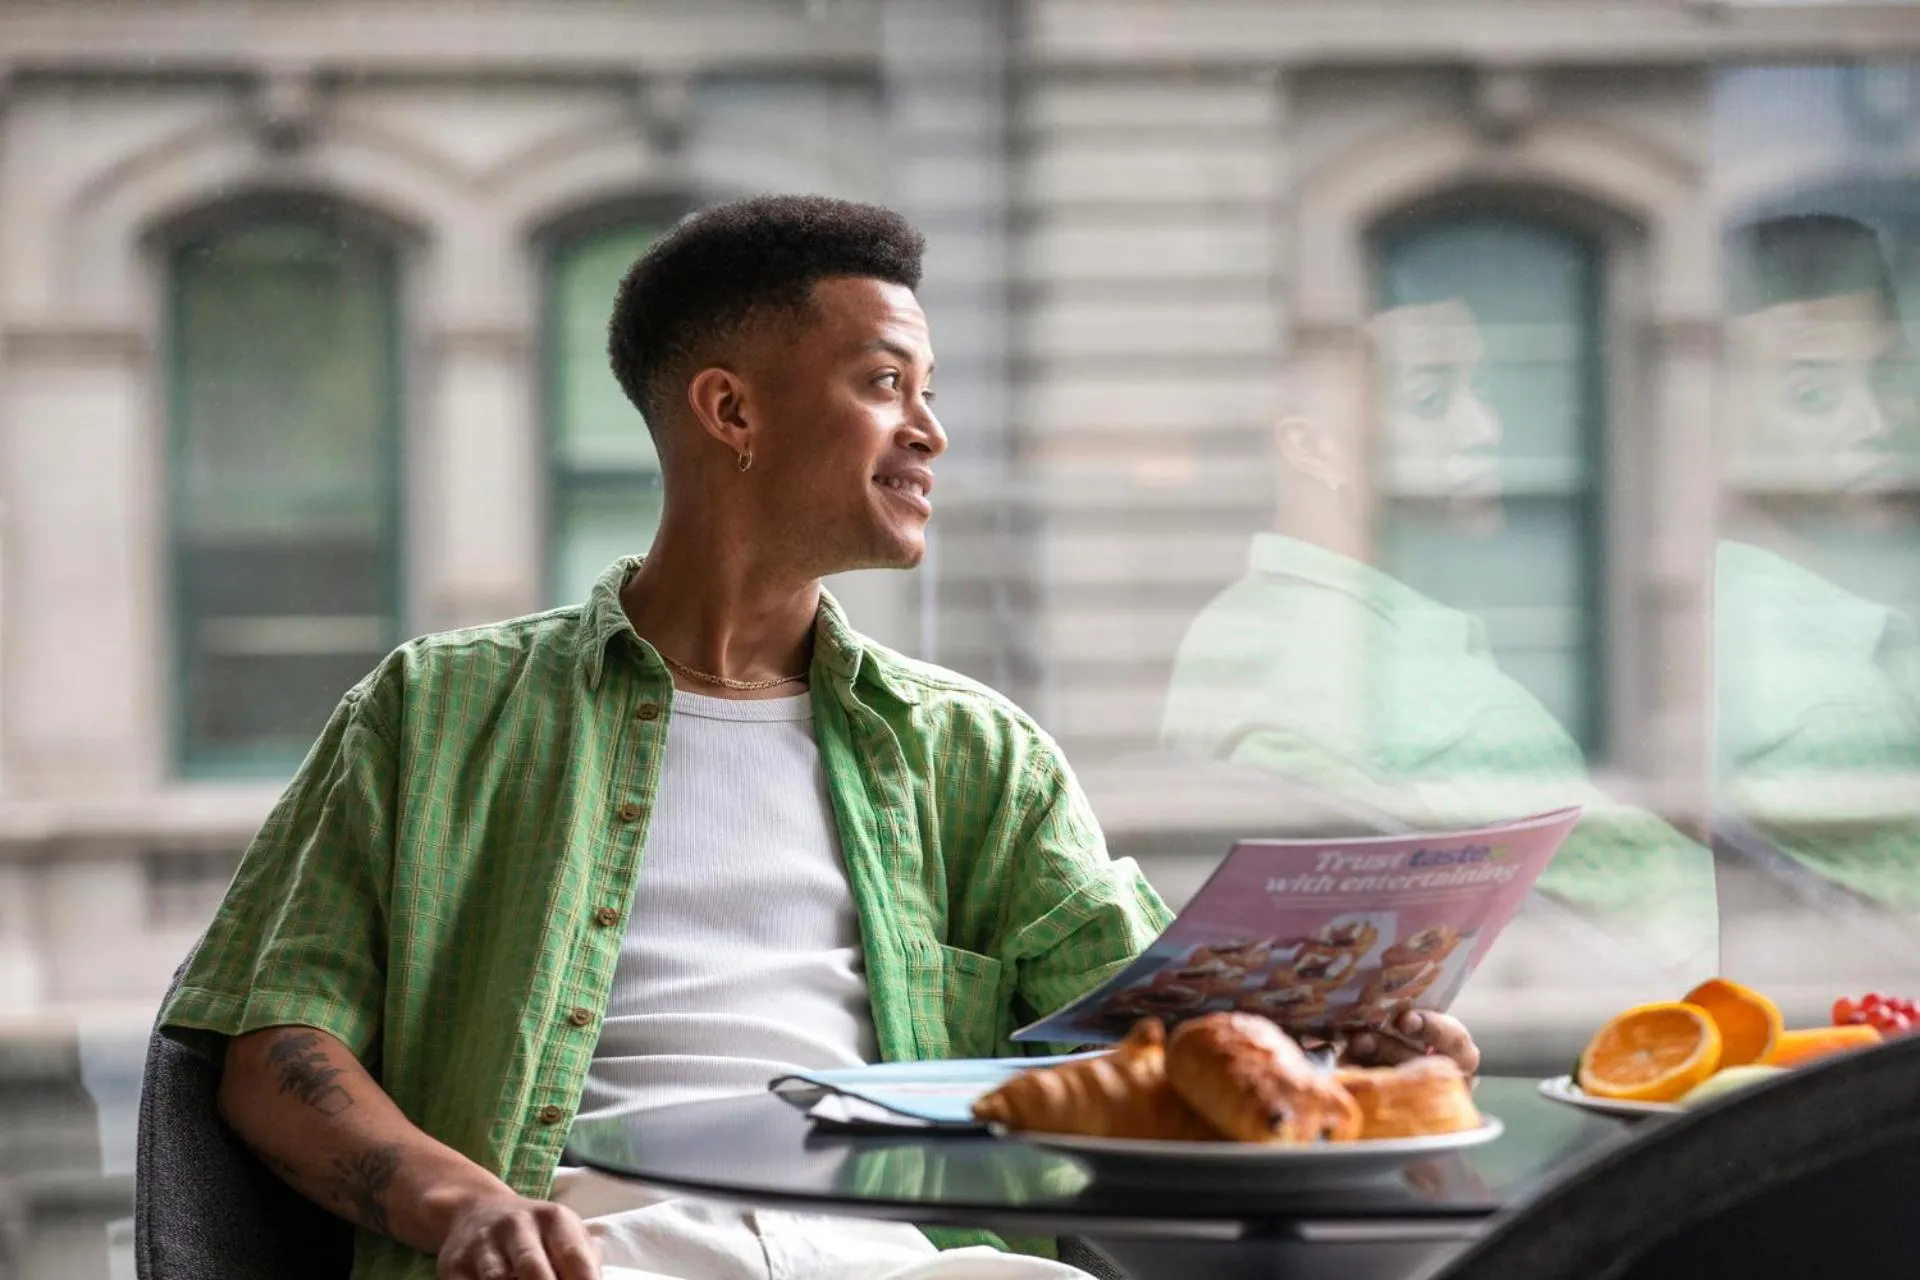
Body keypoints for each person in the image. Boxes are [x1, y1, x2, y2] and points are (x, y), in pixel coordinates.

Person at [158, 195, 1480, 1280]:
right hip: (600, 1246)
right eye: (885, 383)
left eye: (929, 389)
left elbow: (1144, 1032)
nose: (932, 434)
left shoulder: (976, 755)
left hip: (904, 1259)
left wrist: (1340, 1055)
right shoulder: (435, 713)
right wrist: (459, 1210)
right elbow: (276, 1050)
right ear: (729, 413)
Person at [1161, 298, 1720, 982]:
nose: (1485, 427)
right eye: (1429, 399)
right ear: (1312, 446)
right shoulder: (1360, 674)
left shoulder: (1253, 629)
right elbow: (1653, 892)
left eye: (1478, 390)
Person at [1716, 213, 1920, 912]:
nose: (1875, 421)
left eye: (1890, 372)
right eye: (1814, 393)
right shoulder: (1817, 700)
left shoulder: (1859, 634)